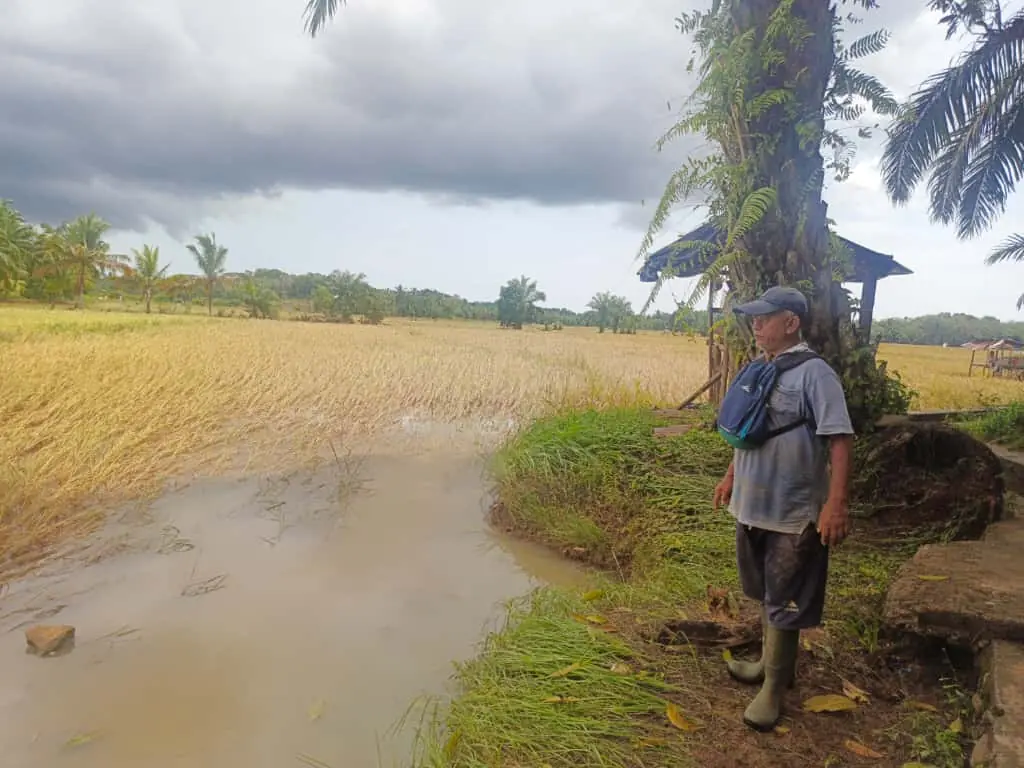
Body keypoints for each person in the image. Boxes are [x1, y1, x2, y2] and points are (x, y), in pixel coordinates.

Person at [711, 286, 855, 732]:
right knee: (766, 592)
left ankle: (773, 688)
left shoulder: (816, 374)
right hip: (752, 506)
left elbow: (840, 438)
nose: (755, 325)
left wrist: (836, 503)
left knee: (786, 599)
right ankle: (768, 666)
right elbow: (747, 430)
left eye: (764, 317)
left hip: (794, 513)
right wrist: (731, 475)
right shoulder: (759, 367)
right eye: (753, 318)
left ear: (790, 323)